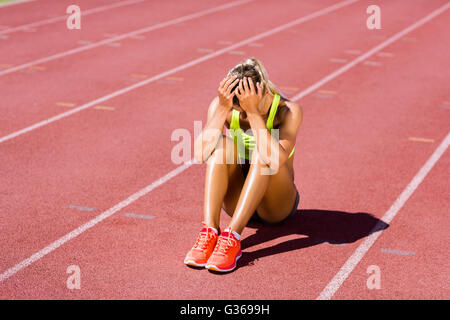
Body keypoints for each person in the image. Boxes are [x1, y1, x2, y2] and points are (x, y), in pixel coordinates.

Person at [184, 58, 303, 272]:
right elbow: (200, 154)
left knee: (264, 152)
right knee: (221, 145)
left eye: (245, 107)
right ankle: (209, 230)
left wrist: (255, 114)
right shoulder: (225, 106)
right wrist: (222, 109)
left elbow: (275, 160)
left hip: (276, 206)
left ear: (263, 93)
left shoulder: (288, 111)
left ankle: (233, 237)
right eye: (239, 109)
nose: (242, 114)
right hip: (238, 200)